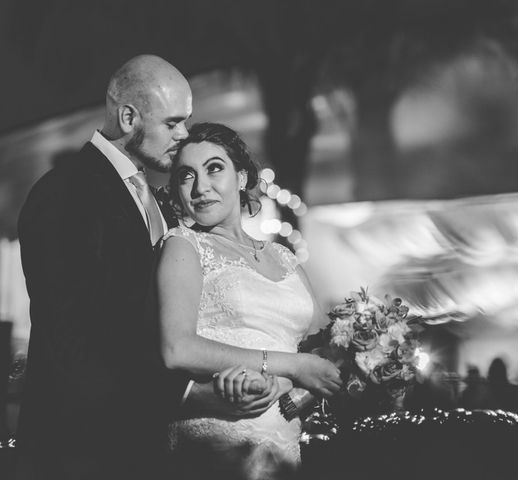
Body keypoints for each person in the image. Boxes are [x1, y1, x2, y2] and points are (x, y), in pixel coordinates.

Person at [16, 55, 274, 480]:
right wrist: (194, 396)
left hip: (151, 448)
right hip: (82, 452)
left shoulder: (154, 198)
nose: (183, 135)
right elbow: (73, 345)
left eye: (186, 122)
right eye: (172, 123)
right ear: (128, 116)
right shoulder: (66, 193)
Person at [157, 122, 342, 479]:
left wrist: (286, 383)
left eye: (214, 168)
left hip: (283, 439)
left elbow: (319, 346)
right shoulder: (183, 245)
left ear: (241, 178)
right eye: (186, 176)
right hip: (219, 438)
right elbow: (177, 349)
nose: (201, 187)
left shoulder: (283, 256)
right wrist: (290, 366)